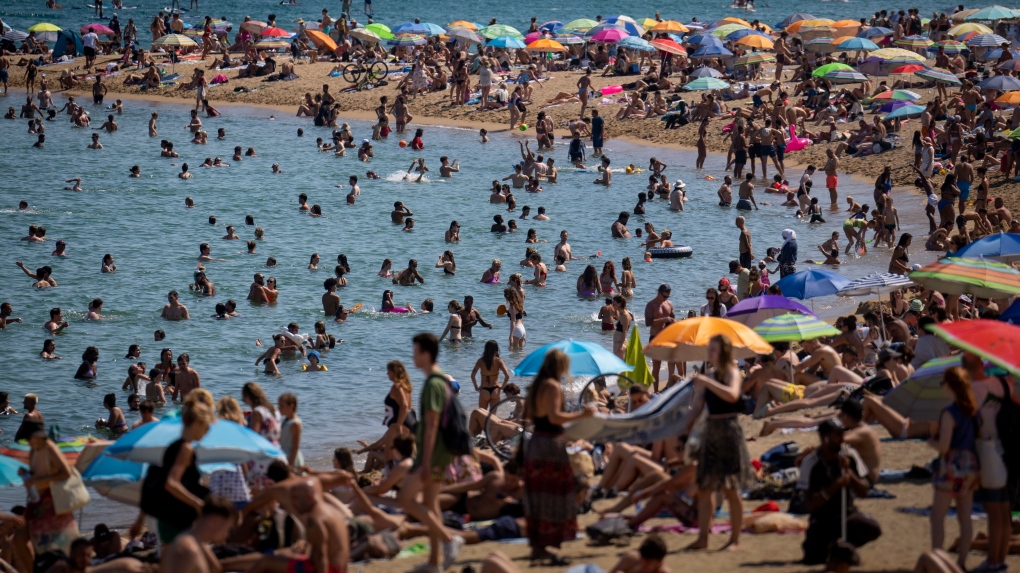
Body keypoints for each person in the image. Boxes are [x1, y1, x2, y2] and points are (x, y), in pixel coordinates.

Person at [397, 333, 463, 573]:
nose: (412, 357)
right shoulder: (438, 380)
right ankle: (434, 562)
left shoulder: (433, 383)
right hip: (440, 452)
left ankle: (448, 539)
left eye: (415, 352)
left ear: (425, 354)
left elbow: (433, 424)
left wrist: (424, 462)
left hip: (433, 454)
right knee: (430, 504)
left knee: (404, 499)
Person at [523, 349, 596, 565]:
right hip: (550, 446)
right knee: (554, 494)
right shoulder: (553, 386)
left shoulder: (537, 385)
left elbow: (529, 415)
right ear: (560, 366)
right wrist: (583, 414)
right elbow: (555, 417)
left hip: (535, 443)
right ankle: (547, 547)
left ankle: (538, 547)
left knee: (538, 494)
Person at [684, 334, 753, 551]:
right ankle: (703, 538)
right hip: (710, 431)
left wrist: (706, 382)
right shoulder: (709, 375)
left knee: (730, 488)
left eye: (713, 349)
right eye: (709, 349)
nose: (710, 353)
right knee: (705, 488)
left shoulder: (732, 373)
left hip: (729, 430)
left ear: (723, 351)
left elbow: (732, 396)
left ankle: (735, 540)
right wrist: (685, 426)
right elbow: (696, 406)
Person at [797, 419, 882, 565]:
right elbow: (810, 505)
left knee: (872, 528)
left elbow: (863, 492)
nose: (842, 440)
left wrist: (849, 473)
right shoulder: (811, 463)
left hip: (846, 514)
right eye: (838, 436)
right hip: (823, 520)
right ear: (826, 438)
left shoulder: (849, 455)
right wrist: (836, 484)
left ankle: (844, 548)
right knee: (814, 558)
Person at [141, 393, 213, 543]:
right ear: (196, 424)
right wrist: (198, 504)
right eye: (207, 427)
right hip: (176, 516)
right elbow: (171, 483)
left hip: (167, 514)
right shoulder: (185, 448)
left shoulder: (174, 445)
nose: (207, 432)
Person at [931, 366, 979, 570]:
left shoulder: (949, 412)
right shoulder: (973, 410)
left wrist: (931, 441)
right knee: (965, 517)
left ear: (949, 385)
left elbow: (944, 447)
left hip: (952, 464)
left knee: (938, 516)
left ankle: (938, 559)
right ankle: (961, 562)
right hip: (971, 464)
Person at [23, 430, 78, 554]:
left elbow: (66, 473)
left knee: (60, 544)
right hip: (38, 500)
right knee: (42, 546)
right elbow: (35, 476)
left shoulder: (49, 448)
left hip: (52, 501)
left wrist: (38, 479)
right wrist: (26, 475)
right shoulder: (33, 450)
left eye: (28, 438)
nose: (27, 441)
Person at [161, 495, 235, 572]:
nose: (227, 535)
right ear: (216, 522)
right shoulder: (187, 550)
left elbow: (216, 568)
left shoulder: (197, 543)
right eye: (228, 528)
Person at [644, 284, 676, 392]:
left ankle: (670, 387)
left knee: (672, 362)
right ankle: (656, 391)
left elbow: (673, 319)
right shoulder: (651, 305)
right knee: (656, 367)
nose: (666, 299)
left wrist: (672, 322)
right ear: (659, 293)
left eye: (667, 297)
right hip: (655, 338)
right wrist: (663, 319)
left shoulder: (669, 304)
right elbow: (648, 323)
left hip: (668, 338)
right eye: (664, 296)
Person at [471, 340, 510, 410]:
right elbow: (507, 375)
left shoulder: (480, 361)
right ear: (496, 349)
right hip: (495, 389)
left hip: (484, 390)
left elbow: (472, 375)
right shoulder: (499, 361)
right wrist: (502, 386)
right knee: (492, 416)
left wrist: (476, 387)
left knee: (482, 415)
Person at [278, 392, 304, 468]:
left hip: (292, 459)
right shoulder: (285, 420)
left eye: (282, 406)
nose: (279, 408)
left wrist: (290, 464)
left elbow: (296, 447)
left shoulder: (295, 423)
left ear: (291, 406)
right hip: (284, 456)